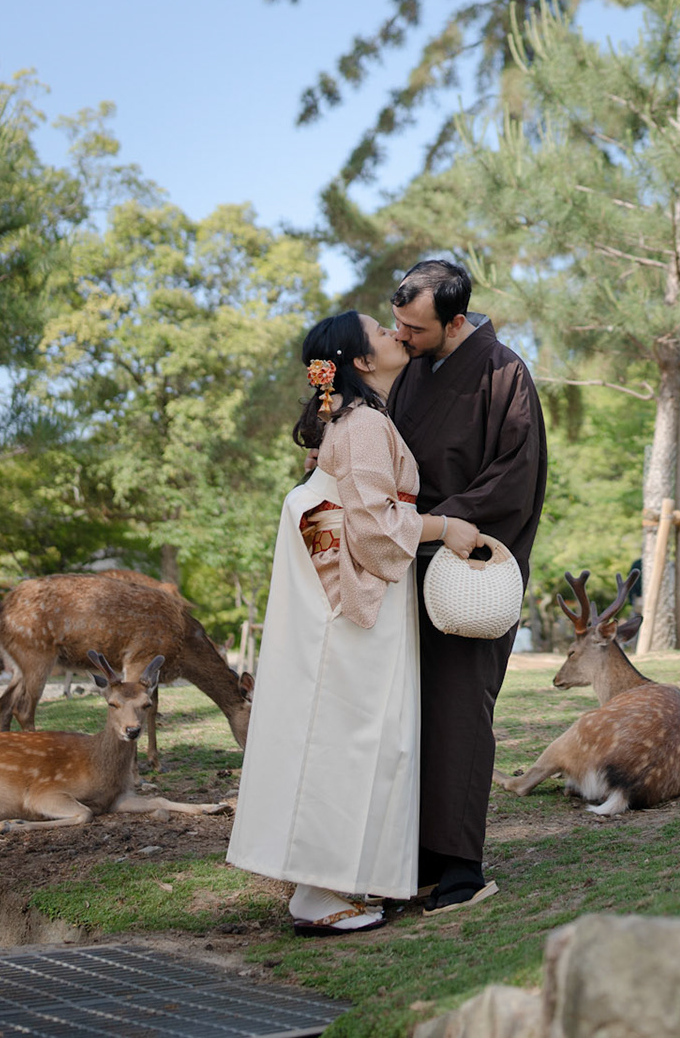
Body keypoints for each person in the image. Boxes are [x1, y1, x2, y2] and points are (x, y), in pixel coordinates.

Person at [228, 311, 480, 935]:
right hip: (360, 593)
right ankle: (318, 890)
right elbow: (370, 523)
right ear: (361, 362)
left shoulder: (352, 421)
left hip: (342, 586)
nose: (398, 332)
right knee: (356, 734)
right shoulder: (364, 423)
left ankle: (330, 880)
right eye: (382, 330)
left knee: (344, 732)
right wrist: (447, 528)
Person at [386, 260, 548, 913]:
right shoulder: (403, 368)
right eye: (396, 321)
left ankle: (461, 867)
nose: (401, 334)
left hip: (465, 566)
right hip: (403, 557)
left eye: (414, 327)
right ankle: (414, 853)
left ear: (455, 322)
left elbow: (516, 478)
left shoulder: (506, 375)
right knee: (408, 709)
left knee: (458, 706)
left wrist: (444, 522)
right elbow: (337, 389)